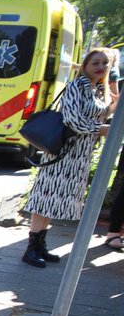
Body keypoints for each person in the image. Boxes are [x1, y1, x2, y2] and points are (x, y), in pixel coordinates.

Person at [22, 47, 116, 267]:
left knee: (56, 199)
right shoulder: (77, 86)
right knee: (45, 198)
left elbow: (102, 112)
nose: (100, 67)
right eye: (96, 63)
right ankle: (31, 249)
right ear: (85, 65)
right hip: (62, 150)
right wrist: (102, 129)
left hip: (79, 155)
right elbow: (73, 120)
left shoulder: (97, 90)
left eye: (104, 63)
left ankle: (40, 245)